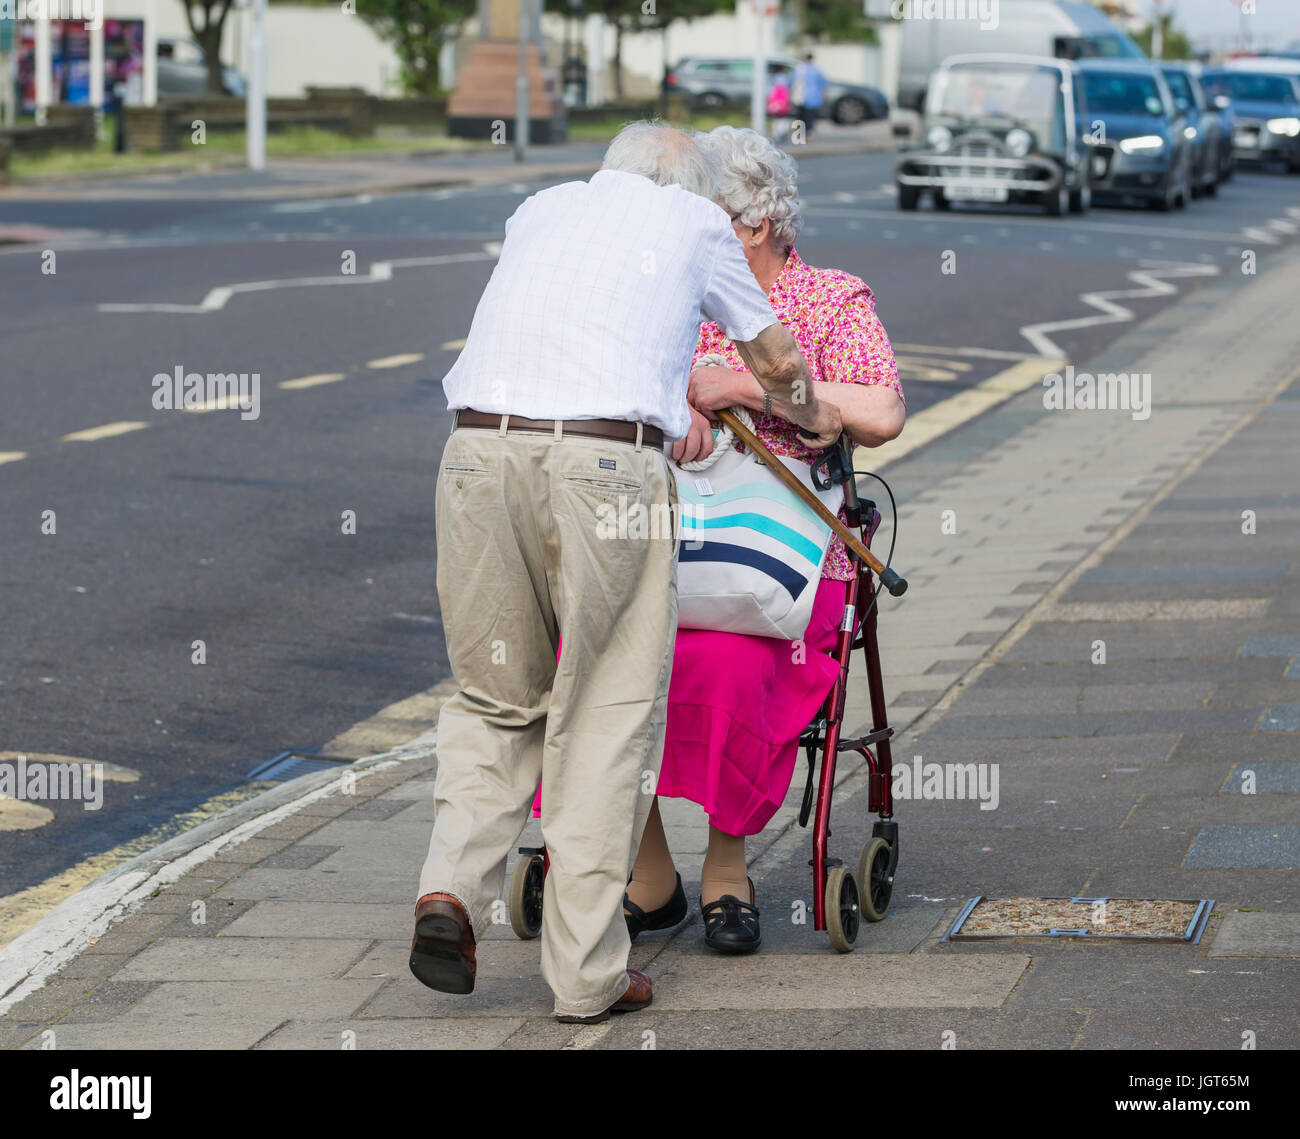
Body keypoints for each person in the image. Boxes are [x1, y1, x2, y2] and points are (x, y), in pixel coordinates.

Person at [410, 122, 841, 1024]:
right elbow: (775, 358)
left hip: (474, 454)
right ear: (691, 189)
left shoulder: (540, 208)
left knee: (495, 696)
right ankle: (588, 975)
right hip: (605, 467)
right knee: (603, 711)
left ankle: (448, 887)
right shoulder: (696, 226)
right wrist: (809, 411)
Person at [623, 125, 906, 954]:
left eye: (701, 214)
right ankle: (650, 874)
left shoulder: (828, 299)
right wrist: (678, 413)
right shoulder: (675, 295)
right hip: (673, 530)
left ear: (752, 225)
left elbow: (882, 411)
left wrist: (741, 385)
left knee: (734, 658)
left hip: (781, 554)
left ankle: (725, 870)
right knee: (604, 650)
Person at [793, 53, 828, 139]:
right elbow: (823, 83)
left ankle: (800, 135)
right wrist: (823, 94)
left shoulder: (800, 69)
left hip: (801, 97)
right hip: (813, 98)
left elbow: (792, 82)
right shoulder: (817, 69)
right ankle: (809, 134)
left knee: (801, 116)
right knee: (811, 117)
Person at [767, 65, 793, 143]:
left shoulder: (773, 79)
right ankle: (782, 132)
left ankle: (777, 133)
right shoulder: (786, 78)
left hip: (775, 100)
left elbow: (770, 91)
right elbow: (789, 90)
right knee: (783, 116)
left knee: (776, 117)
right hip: (783, 100)